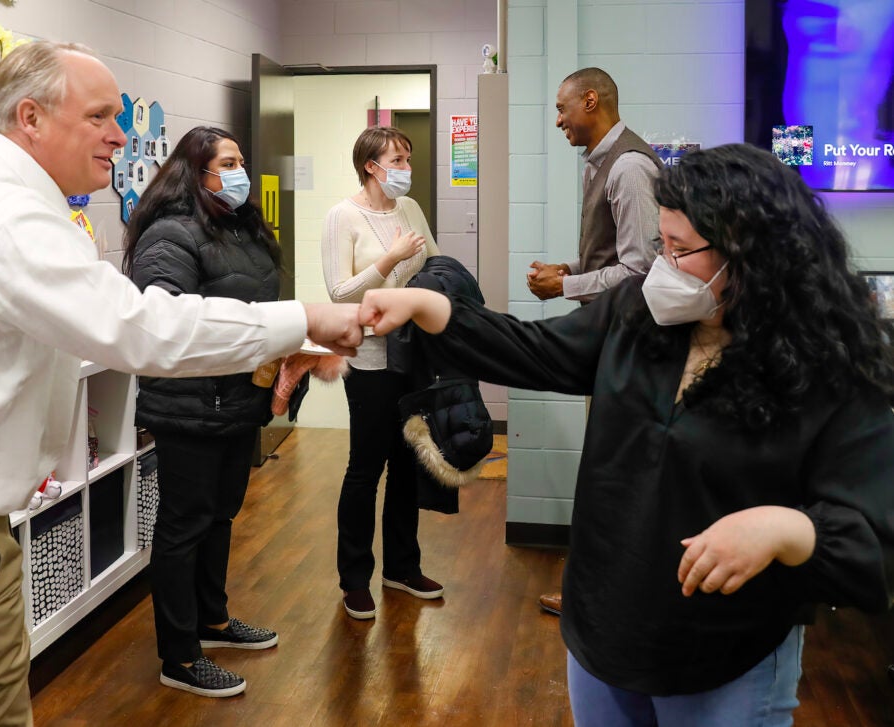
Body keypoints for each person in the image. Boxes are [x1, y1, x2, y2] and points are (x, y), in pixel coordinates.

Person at [0, 41, 361, 727]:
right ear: (30, 117)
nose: (121, 133)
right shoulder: (7, 216)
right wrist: (303, 320)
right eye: (99, 114)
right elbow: (140, 328)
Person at [360, 143, 894, 726]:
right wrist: (426, 305)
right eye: (660, 245)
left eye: (682, 250)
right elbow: (536, 351)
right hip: (604, 632)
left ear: (755, 254)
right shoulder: (639, 314)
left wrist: (788, 528)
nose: (662, 266)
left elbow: (874, 538)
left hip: (723, 656)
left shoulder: (826, 370)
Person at [122, 126, 282, 698]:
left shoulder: (240, 228)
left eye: (242, 160)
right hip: (189, 405)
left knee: (220, 515)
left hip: (239, 400)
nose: (240, 172)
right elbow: (168, 325)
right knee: (183, 525)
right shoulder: (169, 235)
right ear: (198, 172)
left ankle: (213, 622)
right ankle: (180, 655)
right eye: (229, 163)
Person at [528, 67, 663, 616]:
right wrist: (574, 267)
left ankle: (599, 594)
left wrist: (568, 284)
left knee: (612, 471)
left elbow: (641, 271)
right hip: (610, 337)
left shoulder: (628, 166)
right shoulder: (604, 162)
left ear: (591, 100)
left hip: (629, 342)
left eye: (563, 109)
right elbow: (614, 256)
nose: (558, 121)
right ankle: (602, 588)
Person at [321, 126, 442, 620]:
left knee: (408, 465)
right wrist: (390, 261)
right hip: (369, 362)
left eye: (407, 158)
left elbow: (434, 264)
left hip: (413, 356)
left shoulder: (410, 210)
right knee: (365, 469)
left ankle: (402, 567)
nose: (406, 168)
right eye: (397, 159)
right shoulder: (342, 216)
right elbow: (338, 292)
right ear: (371, 166)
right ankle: (354, 578)